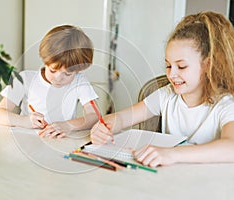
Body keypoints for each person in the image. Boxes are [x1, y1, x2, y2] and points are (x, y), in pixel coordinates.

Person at [90, 11, 234, 167]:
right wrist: (104, 127)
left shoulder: (225, 105)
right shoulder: (166, 95)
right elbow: (123, 118)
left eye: (181, 66)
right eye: (168, 65)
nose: (171, 74)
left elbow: (231, 147)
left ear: (208, 65)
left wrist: (172, 154)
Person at [0, 25, 99, 138]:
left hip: (62, 142)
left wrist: (68, 126)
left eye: (67, 74)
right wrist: (25, 121)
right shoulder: (25, 79)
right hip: (29, 141)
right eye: (53, 70)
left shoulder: (79, 82)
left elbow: (94, 116)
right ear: (45, 61)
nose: (58, 78)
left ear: (78, 70)